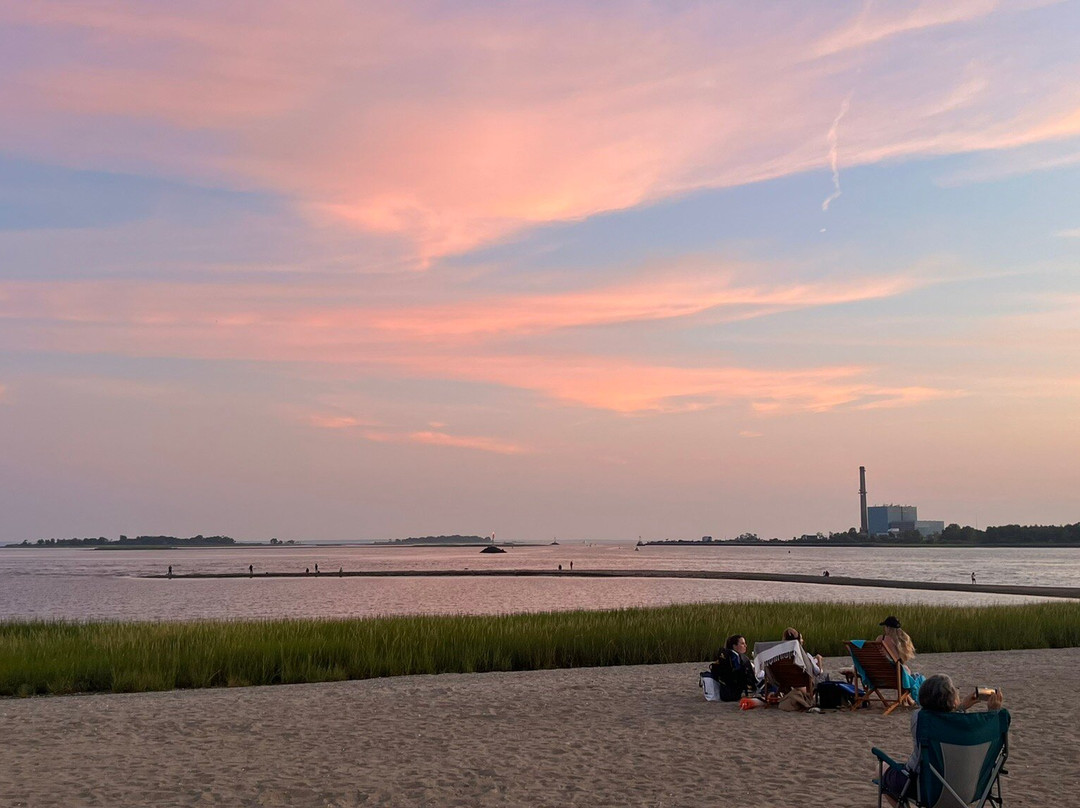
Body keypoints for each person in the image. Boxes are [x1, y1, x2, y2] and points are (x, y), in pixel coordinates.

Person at [880, 674, 1004, 805]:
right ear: (953, 701)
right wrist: (993, 712)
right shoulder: (970, 729)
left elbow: (940, 717)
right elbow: (953, 720)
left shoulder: (919, 719)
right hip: (971, 789)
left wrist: (958, 706)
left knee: (881, 768)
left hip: (926, 789)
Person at [709, 634, 758, 701]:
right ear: (734, 646)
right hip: (734, 693)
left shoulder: (727, 656)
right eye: (742, 644)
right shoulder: (736, 658)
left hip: (726, 692)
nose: (745, 646)